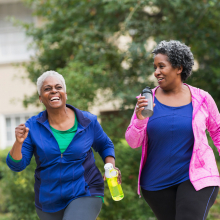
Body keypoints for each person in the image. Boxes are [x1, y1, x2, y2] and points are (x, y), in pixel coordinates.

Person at [6, 70, 121, 220]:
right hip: (48, 200)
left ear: (65, 93)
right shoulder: (32, 127)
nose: (54, 90)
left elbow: (105, 144)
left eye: (58, 87)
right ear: (41, 98)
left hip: (85, 190)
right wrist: (18, 143)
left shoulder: (87, 121)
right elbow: (17, 165)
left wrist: (110, 166)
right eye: (47, 88)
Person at [125, 40, 220, 220]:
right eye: (155, 67)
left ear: (179, 68)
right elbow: (132, 142)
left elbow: (218, 131)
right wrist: (139, 119)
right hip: (156, 184)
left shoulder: (202, 99)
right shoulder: (146, 101)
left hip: (196, 178)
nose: (156, 72)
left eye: (162, 66)